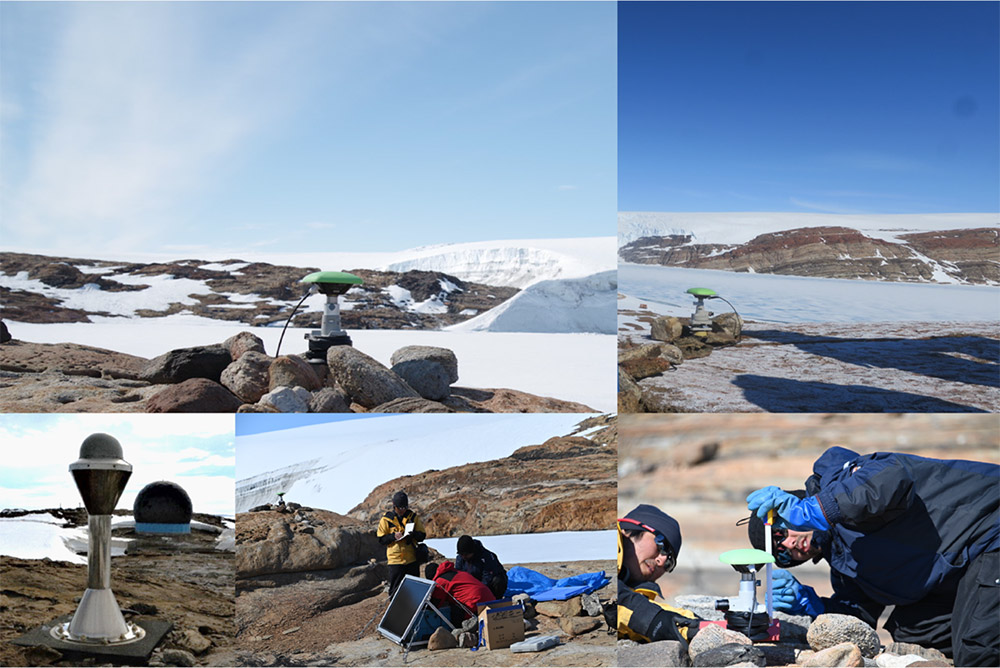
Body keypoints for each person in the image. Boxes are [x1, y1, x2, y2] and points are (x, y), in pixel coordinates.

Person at [746, 446, 999, 667]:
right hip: (966, 567)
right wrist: (813, 605)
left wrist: (816, 509)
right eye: (782, 554)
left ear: (793, 503)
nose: (790, 545)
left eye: (780, 533)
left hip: (989, 525)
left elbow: (889, 478)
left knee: (978, 650)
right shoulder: (845, 568)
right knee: (915, 635)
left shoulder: (836, 477)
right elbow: (859, 619)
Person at [617, 504, 701, 644]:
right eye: (662, 546)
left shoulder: (634, 599)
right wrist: (653, 619)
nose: (661, 561)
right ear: (627, 531)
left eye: (669, 562)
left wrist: (700, 626)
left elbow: (643, 609)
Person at [376, 491, 427, 597]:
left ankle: (415, 611)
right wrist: (392, 536)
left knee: (414, 588)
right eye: (400, 508)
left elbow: (422, 535)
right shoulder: (386, 519)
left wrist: (413, 535)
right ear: (394, 506)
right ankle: (395, 611)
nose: (403, 510)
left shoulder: (412, 517)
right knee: (395, 590)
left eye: (405, 507)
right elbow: (381, 539)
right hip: (395, 561)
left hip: (411, 559)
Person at [424, 561, 496, 626]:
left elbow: (435, 604)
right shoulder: (456, 572)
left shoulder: (440, 581)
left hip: (474, 603)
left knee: (456, 615)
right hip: (490, 598)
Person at [455, 535, 507, 599]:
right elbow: (458, 575)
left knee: (498, 580)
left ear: (472, 551)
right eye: (461, 554)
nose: (463, 557)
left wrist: (478, 590)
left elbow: (487, 577)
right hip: (473, 585)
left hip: (487, 585)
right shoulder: (460, 559)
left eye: (466, 554)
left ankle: (496, 600)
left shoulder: (487, 557)